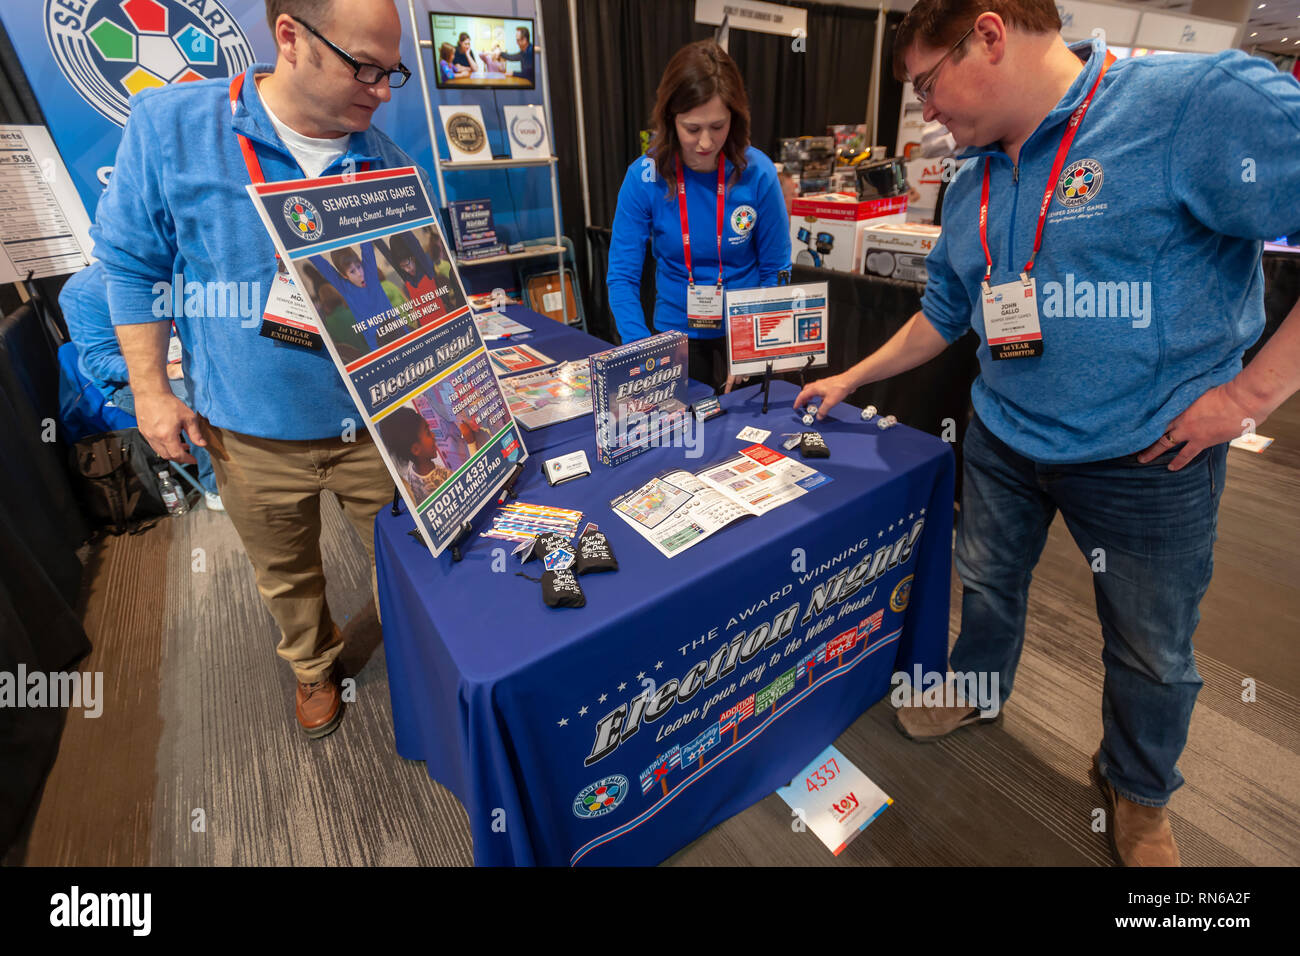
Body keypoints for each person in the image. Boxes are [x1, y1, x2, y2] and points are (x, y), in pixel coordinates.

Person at [795, 0, 1300, 867]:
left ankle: (1138, 791)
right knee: (987, 585)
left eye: (927, 83)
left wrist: (1251, 396)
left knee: (1151, 651)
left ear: (989, 34)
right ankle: (979, 690)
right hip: (1003, 435)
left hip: (1148, 456)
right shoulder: (975, 173)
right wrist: (850, 376)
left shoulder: (1193, 103)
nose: (926, 110)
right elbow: (948, 311)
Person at [91, 0, 429, 740]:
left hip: (375, 422)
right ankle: (313, 668)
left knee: (408, 563)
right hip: (249, 427)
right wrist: (151, 390)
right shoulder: (173, 129)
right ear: (290, 39)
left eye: (391, 70)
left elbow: (415, 292)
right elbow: (130, 262)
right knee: (286, 569)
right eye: (363, 67)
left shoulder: (385, 158)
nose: (380, 89)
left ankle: (414, 656)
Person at [606, 40, 791, 392]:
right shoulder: (644, 177)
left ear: (734, 119)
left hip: (745, 332)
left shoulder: (759, 173)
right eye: (692, 129)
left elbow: (776, 269)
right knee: (685, 443)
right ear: (670, 120)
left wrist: (753, 343)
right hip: (674, 336)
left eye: (718, 126)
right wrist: (642, 349)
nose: (706, 142)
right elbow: (622, 277)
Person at [60, 262, 224, 510]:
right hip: (129, 384)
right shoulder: (83, 291)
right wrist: (162, 371)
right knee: (196, 397)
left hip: (188, 361)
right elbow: (98, 360)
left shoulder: (178, 266)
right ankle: (216, 488)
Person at [378, 407, 452, 506]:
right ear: (416, 449)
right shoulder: (442, 478)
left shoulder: (411, 473)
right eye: (428, 433)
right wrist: (471, 443)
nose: (433, 435)